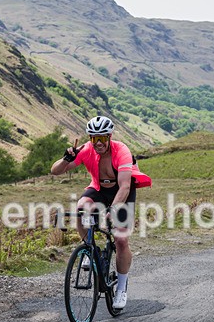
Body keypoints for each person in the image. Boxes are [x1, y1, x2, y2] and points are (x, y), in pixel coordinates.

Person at [51, 116, 152, 310]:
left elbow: (125, 186)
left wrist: (113, 209)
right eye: (94, 138)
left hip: (122, 191)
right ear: (90, 138)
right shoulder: (86, 150)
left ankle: (121, 288)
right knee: (81, 208)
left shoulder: (121, 151)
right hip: (98, 189)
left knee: (120, 239)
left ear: (109, 137)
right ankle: (90, 248)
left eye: (102, 138)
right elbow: (55, 171)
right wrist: (65, 159)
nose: (98, 143)